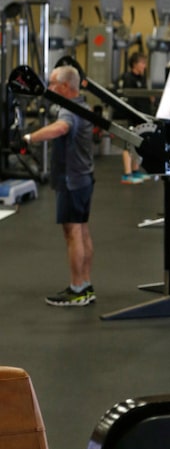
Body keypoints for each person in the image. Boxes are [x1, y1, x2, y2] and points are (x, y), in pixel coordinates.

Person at [22, 65, 96, 307]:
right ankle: (84, 284)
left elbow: (62, 127)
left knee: (73, 233)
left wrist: (30, 137)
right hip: (84, 178)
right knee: (82, 231)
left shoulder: (70, 112)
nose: (50, 88)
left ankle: (77, 289)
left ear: (65, 87)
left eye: (53, 84)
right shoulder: (83, 106)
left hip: (71, 181)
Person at [117, 52, 152, 184]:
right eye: (142, 63)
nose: (144, 65)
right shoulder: (128, 79)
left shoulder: (141, 79)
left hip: (141, 116)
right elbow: (129, 100)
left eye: (144, 63)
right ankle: (127, 174)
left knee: (138, 144)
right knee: (128, 144)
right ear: (134, 64)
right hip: (131, 117)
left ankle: (135, 171)